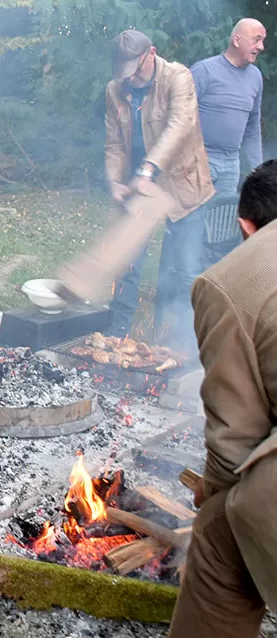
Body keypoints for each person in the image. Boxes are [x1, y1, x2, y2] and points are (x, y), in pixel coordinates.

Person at [168, 159, 277, 638]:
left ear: (245, 224)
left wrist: (210, 497)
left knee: (217, 531)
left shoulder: (231, 281)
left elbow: (237, 439)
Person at [104, 29, 214, 353]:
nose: (132, 79)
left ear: (151, 53)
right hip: (139, 187)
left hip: (184, 186)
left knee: (180, 270)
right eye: (125, 73)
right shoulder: (114, 90)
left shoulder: (178, 77)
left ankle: (172, 343)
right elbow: (113, 144)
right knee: (126, 262)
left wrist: (148, 169)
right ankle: (117, 334)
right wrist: (114, 180)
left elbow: (180, 127)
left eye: (137, 70)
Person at [191, 18, 266, 196]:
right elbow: (179, 117)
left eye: (263, 40)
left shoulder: (256, 77)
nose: (261, 46)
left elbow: (252, 128)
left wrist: (259, 171)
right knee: (193, 219)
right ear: (237, 40)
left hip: (231, 163)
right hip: (199, 160)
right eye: (256, 40)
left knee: (221, 219)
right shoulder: (203, 71)